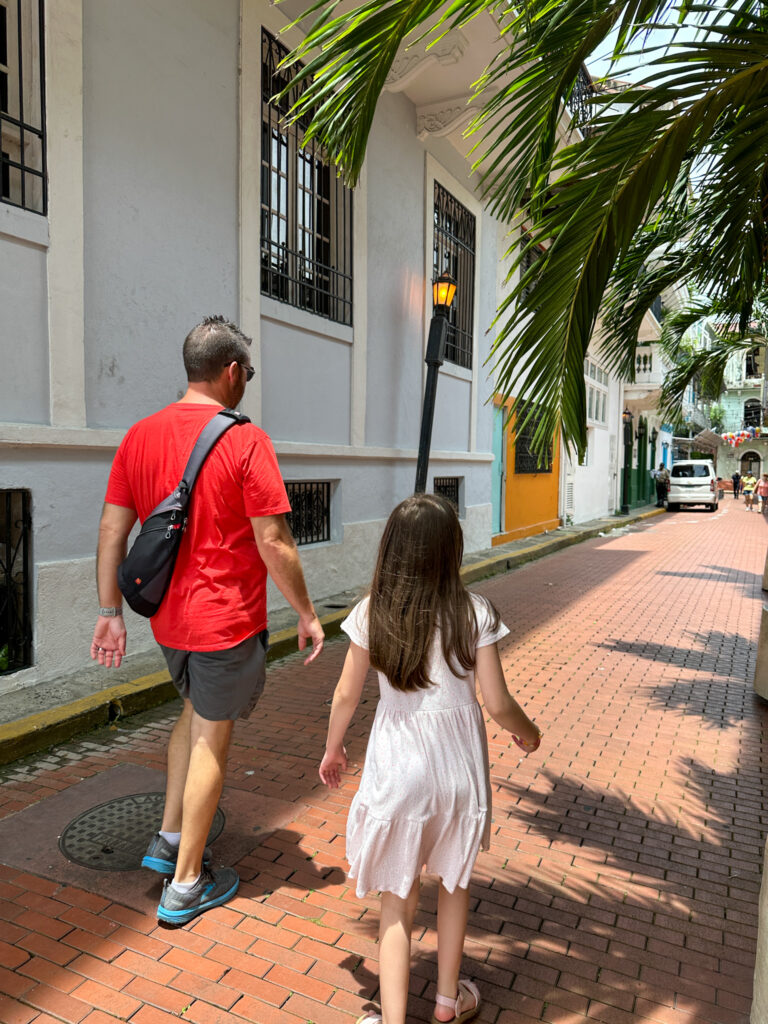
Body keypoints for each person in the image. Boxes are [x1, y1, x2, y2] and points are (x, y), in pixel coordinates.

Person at [91, 315, 324, 924]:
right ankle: (187, 884)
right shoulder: (247, 441)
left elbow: (113, 530)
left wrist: (109, 612)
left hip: (166, 620)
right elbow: (274, 540)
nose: (247, 381)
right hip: (225, 621)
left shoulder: (139, 435)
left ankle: (170, 840)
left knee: (193, 717)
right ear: (230, 371)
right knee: (212, 740)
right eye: (247, 372)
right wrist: (306, 612)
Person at [318, 494, 541, 1024]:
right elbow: (499, 702)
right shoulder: (474, 611)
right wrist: (527, 734)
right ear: (451, 552)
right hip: (459, 772)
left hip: (399, 769)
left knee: (397, 900)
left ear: (391, 551)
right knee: (454, 883)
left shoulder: (372, 613)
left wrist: (332, 748)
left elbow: (346, 695)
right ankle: (447, 1002)